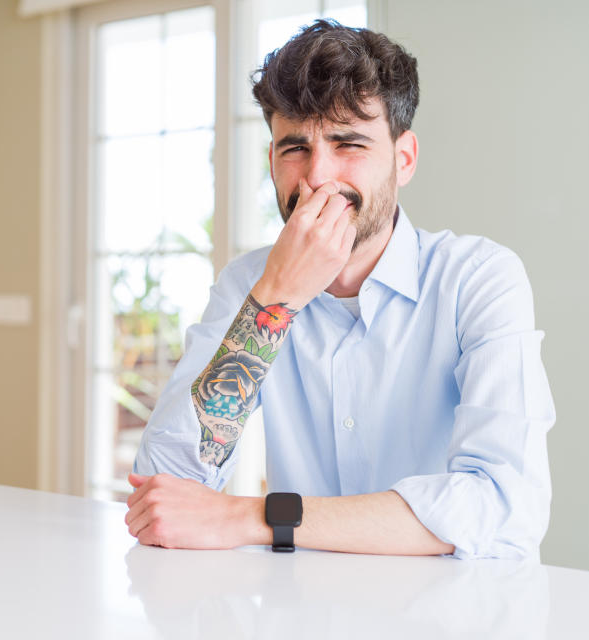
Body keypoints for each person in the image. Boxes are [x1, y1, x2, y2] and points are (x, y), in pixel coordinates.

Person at [125, 19, 555, 559]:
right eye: (294, 148)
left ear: (404, 158)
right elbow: (162, 493)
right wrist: (274, 300)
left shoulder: (480, 279)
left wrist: (254, 518)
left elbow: (501, 507)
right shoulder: (250, 284)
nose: (317, 177)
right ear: (272, 162)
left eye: (347, 142)